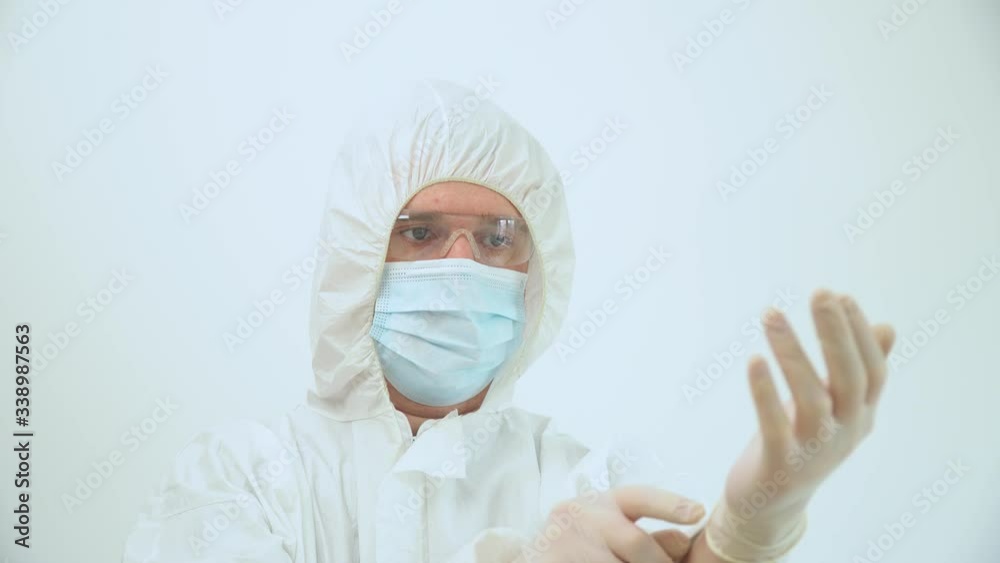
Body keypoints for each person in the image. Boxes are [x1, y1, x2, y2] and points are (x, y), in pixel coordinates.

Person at [122, 79, 896, 562]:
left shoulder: (576, 480)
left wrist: (747, 530)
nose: (462, 264)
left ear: (536, 273)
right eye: (420, 232)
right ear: (356, 258)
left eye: (496, 238)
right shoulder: (243, 478)